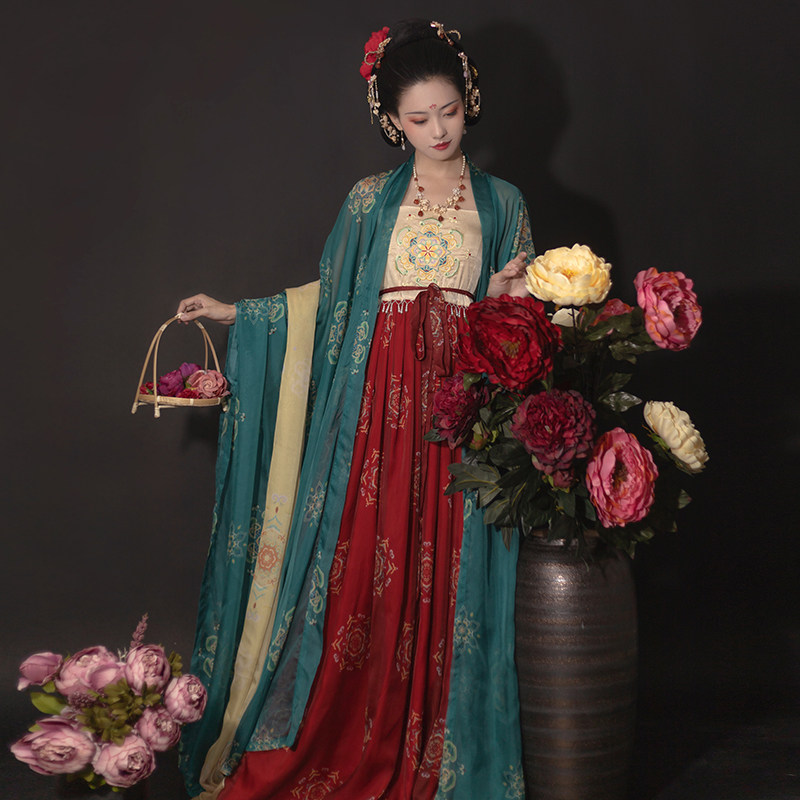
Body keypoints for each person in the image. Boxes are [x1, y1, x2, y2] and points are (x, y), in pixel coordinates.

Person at [176, 19, 532, 800]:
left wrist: (507, 296)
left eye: (448, 111)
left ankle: (440, 749)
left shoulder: (503, 202)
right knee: (364, 577)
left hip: (460, 411)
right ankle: (346, 737)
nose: (438, 131)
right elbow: (333, 301)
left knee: (452, 576)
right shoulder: (370, 201)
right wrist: (242, 315)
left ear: (468, 100)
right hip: (375, 420)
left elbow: (523, 327)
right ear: (392, 121)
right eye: (419, 118)